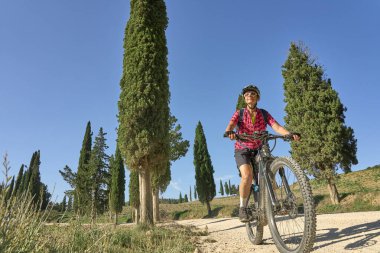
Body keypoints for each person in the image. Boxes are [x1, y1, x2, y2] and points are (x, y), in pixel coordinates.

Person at [225, 84, 300, 222]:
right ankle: (243, 208)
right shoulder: (239, 113)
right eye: (247, 94)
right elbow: (230, 124)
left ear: (257, 98)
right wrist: (230, 132)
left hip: (260, 148)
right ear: (244, 98)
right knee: (247, 175)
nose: (249, 96)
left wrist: (289, 134)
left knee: (269, 173)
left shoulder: (264, 113)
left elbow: (276, 126)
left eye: (252, 94)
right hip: (242, 148)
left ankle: (271, 203)